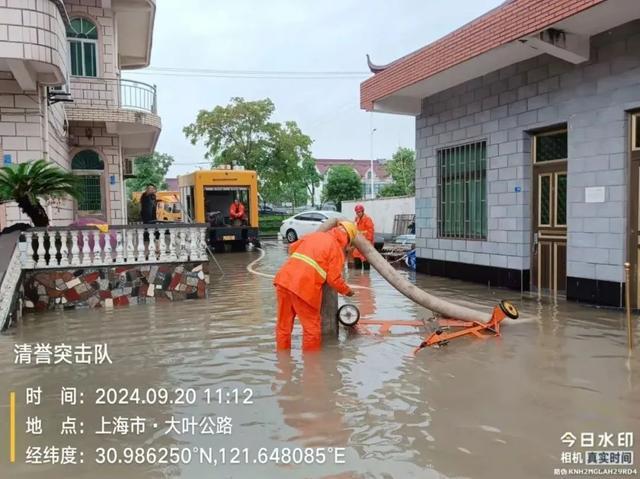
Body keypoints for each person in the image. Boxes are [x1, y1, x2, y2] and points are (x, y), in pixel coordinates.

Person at [273, 221, 357, 351]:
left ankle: (283, 363)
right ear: (348, 239)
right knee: (311, 329)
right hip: (304, 288)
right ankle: (312, 366)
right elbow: (333, 279)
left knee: (283, 327)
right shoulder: (336, 249)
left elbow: (292, 249)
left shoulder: (313, 235)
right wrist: (347, 291)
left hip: (284, 281)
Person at [352, 204, 374, 270]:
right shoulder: (356, 219)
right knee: (356, 256)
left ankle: (366, 276)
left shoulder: (367, 219)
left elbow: (371, 231)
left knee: (365, 259)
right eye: (357, 212)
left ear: (362, 211)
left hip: (366, 242)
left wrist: (368, 242)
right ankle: (357, 276)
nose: (358, 213)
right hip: (359, 243)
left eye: (359, 212)